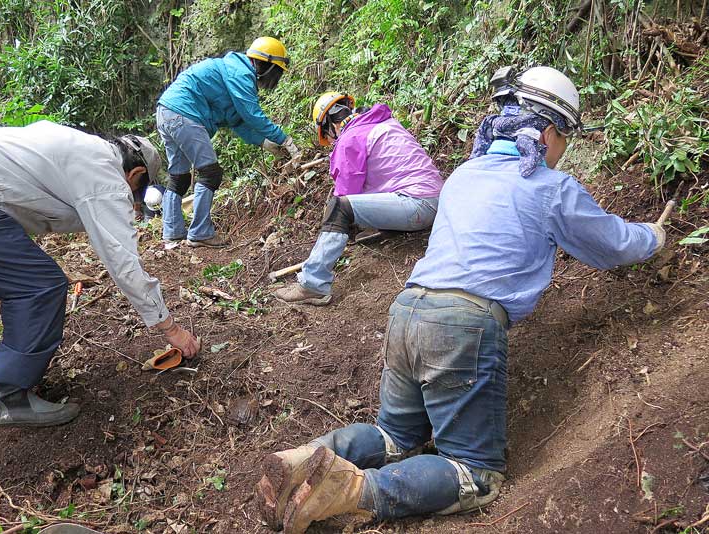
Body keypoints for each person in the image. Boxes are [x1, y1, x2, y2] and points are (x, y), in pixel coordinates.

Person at [254, 67, 666, 533]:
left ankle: (301, 460)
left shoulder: (466, 174)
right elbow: (611, 244)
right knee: (475, 473)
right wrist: (653, 235)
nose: (563, 147)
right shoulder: (551, 187)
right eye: (566, 135)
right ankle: (348, 492)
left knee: (394, 436)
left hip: (407, 309)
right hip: (463, 324)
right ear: (549, 130)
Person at [0, 120, 200, 427]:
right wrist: (170, 329)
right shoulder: (106, 175)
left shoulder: (77, 148)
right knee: (39, 286)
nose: (132, 201)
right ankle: (9, 395)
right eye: (135, 193)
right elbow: (123, 263)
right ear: (136, 175)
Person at [273, 92, 443, 306]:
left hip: (416, 205)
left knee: (338, 208)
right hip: (437, 202)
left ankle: (312, 285)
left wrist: (338, 228)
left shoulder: (350, 139)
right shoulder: (384, 123)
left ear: (328, 125)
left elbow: (345, 198)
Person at [156, 36, 299, 248]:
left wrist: (264, 143)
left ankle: (173, 231)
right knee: (211, 173)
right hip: (185, 113)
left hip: (166, 112)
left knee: (179, 176)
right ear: (267, 65)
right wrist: (284, 139)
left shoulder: (233, 71)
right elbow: (252, 114)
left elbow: (238, 121)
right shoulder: (240, 73)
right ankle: (200, 233)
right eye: (277, 72)